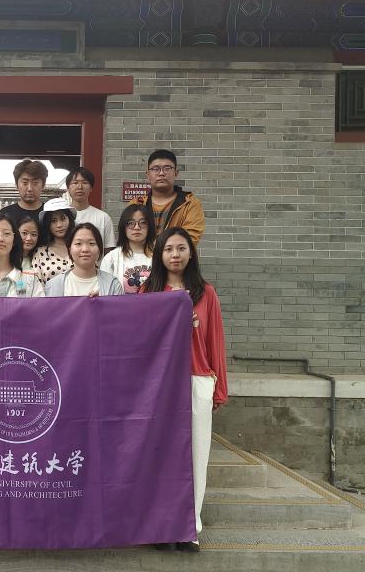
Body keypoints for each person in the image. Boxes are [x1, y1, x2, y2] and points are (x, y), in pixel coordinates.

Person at [141, 227, 227, 552]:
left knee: (196, 457)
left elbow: (215, 341)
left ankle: (189, 527)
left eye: (181, 248)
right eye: (168, 249)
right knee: (158, 455)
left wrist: (219, 388)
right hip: (160, 384)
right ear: (159, 254)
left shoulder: (205, 293)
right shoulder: (149, 291)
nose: (175, 255)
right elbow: (139, 339)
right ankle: (159, 526)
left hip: (196, 379)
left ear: (191, 253)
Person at [130, 149, 205, 245]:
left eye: (167, 168)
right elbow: (130, 236)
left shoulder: (190, 204)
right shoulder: (136, 204)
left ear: (176, 173)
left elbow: (188, 240)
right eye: (155, 169)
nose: (161, 173)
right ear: (148, 175)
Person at [45, 223, 123, 297]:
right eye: (78, 243)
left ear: (99, 249)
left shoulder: (113, 285)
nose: (85, 249)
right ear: (70, 249)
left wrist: (105, 301)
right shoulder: (54, 285)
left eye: (91, 243)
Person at [100, 204, 155, 294]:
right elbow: (104, 292)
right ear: (123, 227)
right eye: (131, 223)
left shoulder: (159, 256)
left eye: (143, 223)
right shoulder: (111, 258)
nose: (137, 227)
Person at [66, 167, 115, 253]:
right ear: (68, 188)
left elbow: (108, 251)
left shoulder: (103, 218)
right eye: (75, 183)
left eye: (84, 183)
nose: (80, 187)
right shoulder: (62, 217)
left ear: (91, 188)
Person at [32, 198, 75, 285]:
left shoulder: (80, 247)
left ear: (70, 219)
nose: (59, 225)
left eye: (63, 219)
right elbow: (37, 285)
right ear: (47, 224)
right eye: (53, 221)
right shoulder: (40, 252)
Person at [0, 159, 47, 225]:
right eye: (25, 183)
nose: (30, 188)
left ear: (43, 185)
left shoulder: (50, 214)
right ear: (16, 185)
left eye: (35, 183)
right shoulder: (4, 215)